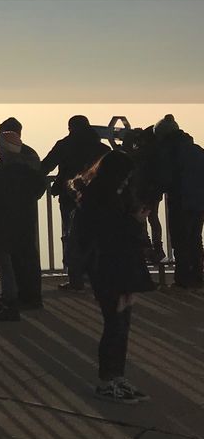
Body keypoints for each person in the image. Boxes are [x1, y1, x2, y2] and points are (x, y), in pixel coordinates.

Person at [68, 150, 154, 402]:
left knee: (121, 323)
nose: (128, 180)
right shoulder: (99, 199)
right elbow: (108, 232)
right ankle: (108, 379)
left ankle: (116, 377)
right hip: (108, 268)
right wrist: (135, 221)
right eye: (125, 176)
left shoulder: (107, 195)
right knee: (115, 323)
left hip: (118, 268)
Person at [0, 129, 47, 321]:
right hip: (23, 220)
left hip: (5, 222)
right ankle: (25, 297)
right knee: (25, 258)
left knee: (4, 261)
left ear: (5, 148)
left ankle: (10, 301)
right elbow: (37, 188)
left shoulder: (7, 170)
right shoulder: (27, 169)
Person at [40, 116, 109, 291]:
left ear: (70, 128)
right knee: (96, 236)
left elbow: (46, 166)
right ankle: (97, 275)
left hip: (69, 197)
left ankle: (75, 278)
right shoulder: (101, 148)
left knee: (71, 236)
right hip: (97, 199)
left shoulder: (64, 145)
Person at [153, 114, 204, 289]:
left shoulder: (170, 152)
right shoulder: (196, 149)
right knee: (195, 239)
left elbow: (165, 178)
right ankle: (197, 275)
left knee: (181, 241)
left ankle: (183, 279)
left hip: (181, 201)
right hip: (198, 202)